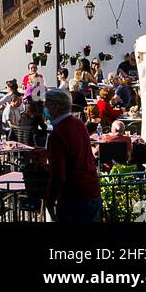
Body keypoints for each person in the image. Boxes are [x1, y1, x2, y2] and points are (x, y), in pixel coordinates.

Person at [45, 87, 102, 222]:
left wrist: (49, 200)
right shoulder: (79, 124)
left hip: (74, 198)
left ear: (56, 106)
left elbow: (58, 173)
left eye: (46, 104)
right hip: (92, 191)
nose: (44, 108)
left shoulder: (58, 134)